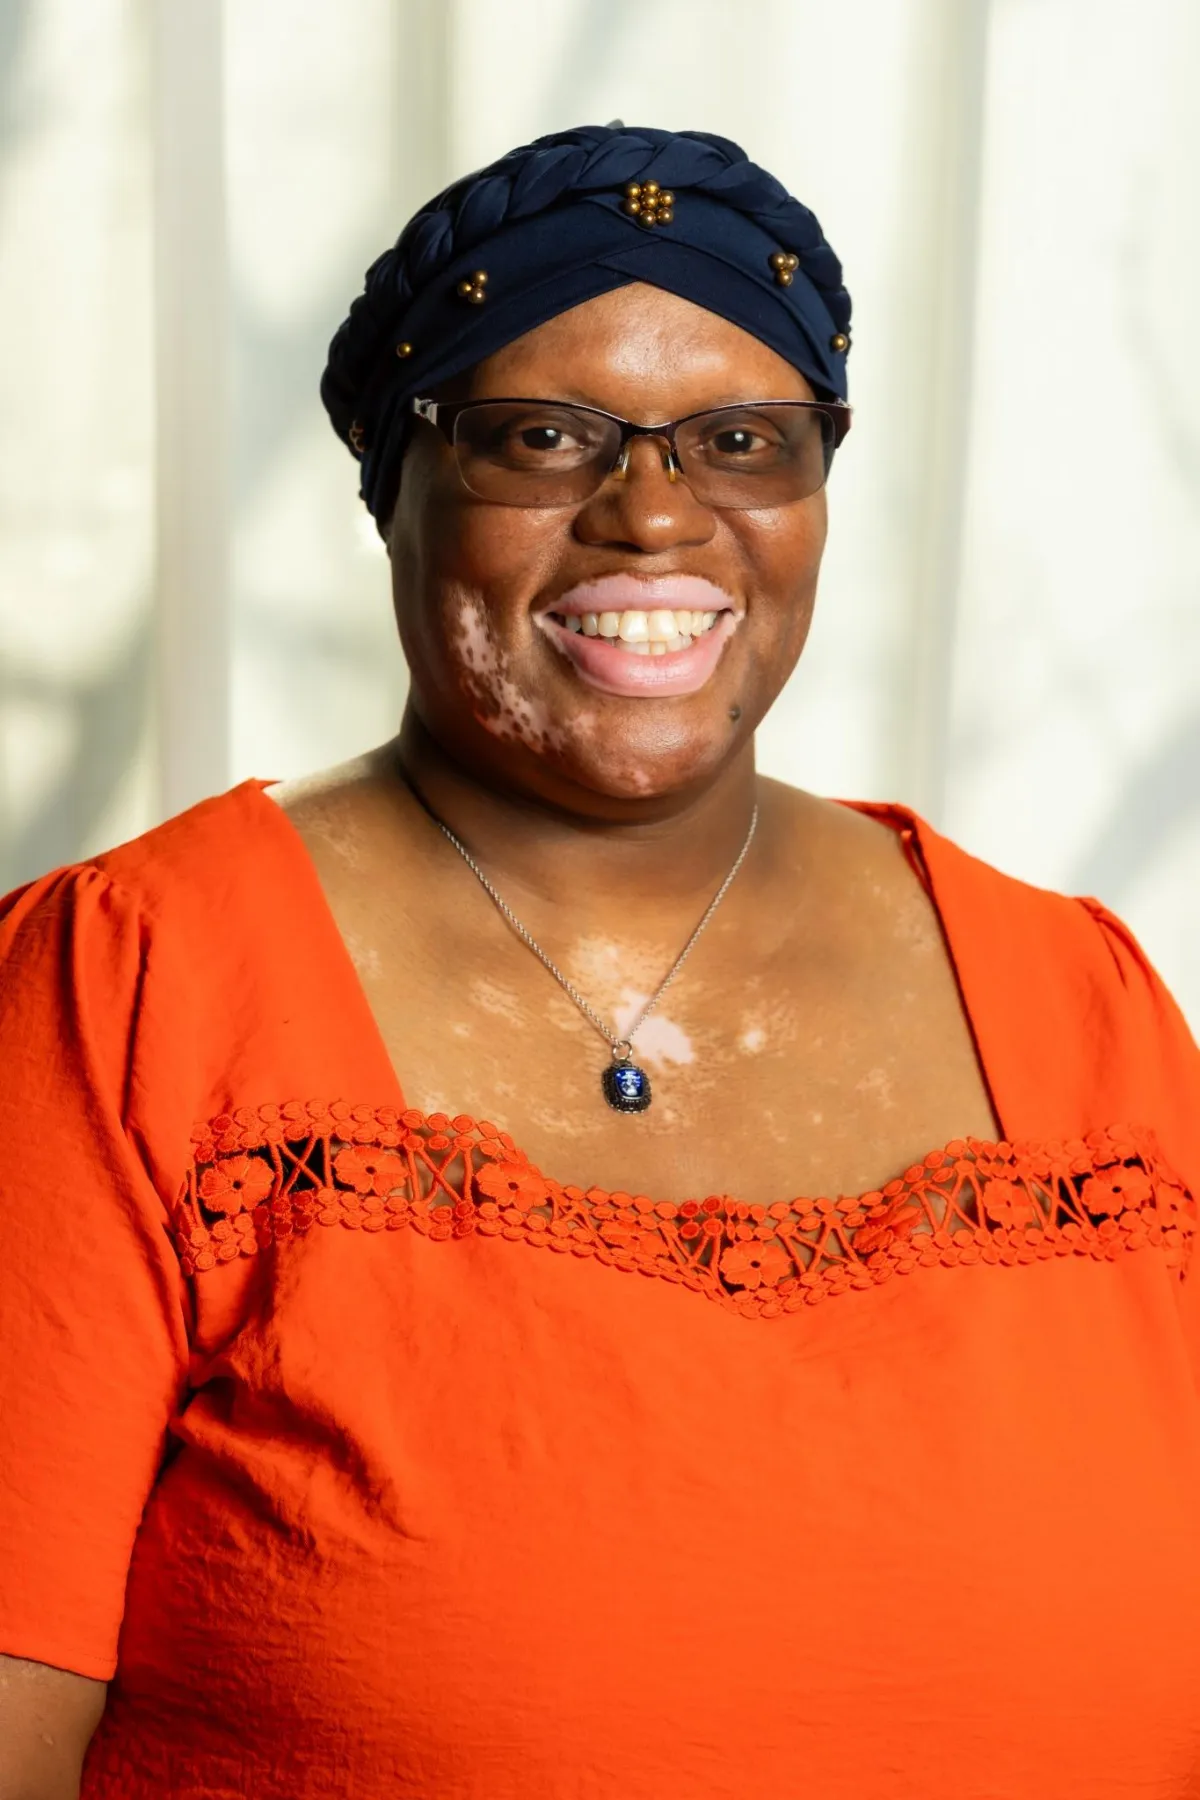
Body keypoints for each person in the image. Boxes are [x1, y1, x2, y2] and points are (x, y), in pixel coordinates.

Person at [1, 123, 1199, 1800]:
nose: (655, 515)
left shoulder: (1083, 1001)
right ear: (395, 487)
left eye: (742, 441)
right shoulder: (127, 983)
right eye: (543, 438)